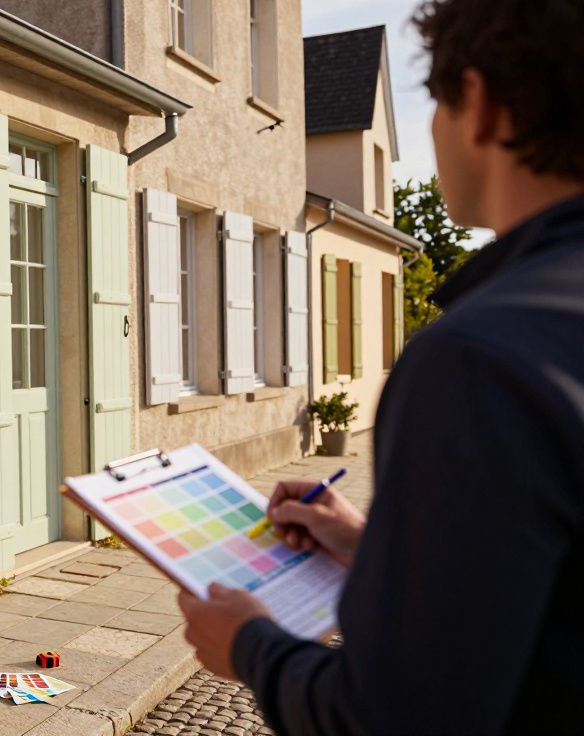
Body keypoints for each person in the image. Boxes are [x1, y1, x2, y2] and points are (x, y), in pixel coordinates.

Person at [176, 1, 584, 732]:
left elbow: (399, 716)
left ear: (482, 105)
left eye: (434, 102)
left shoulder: (476, 362)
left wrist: (249, 646)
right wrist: (383, 552)